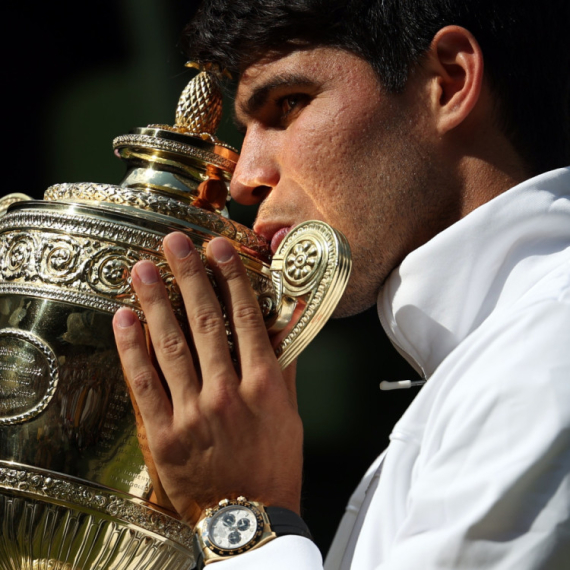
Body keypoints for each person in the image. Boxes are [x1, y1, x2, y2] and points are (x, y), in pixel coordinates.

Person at [112, 0, 570, 568]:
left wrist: (242, 514)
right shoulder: (501, 353)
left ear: (448, 82)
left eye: (289, 104)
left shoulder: (546, 352)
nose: (245, 179)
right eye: (246, 129)